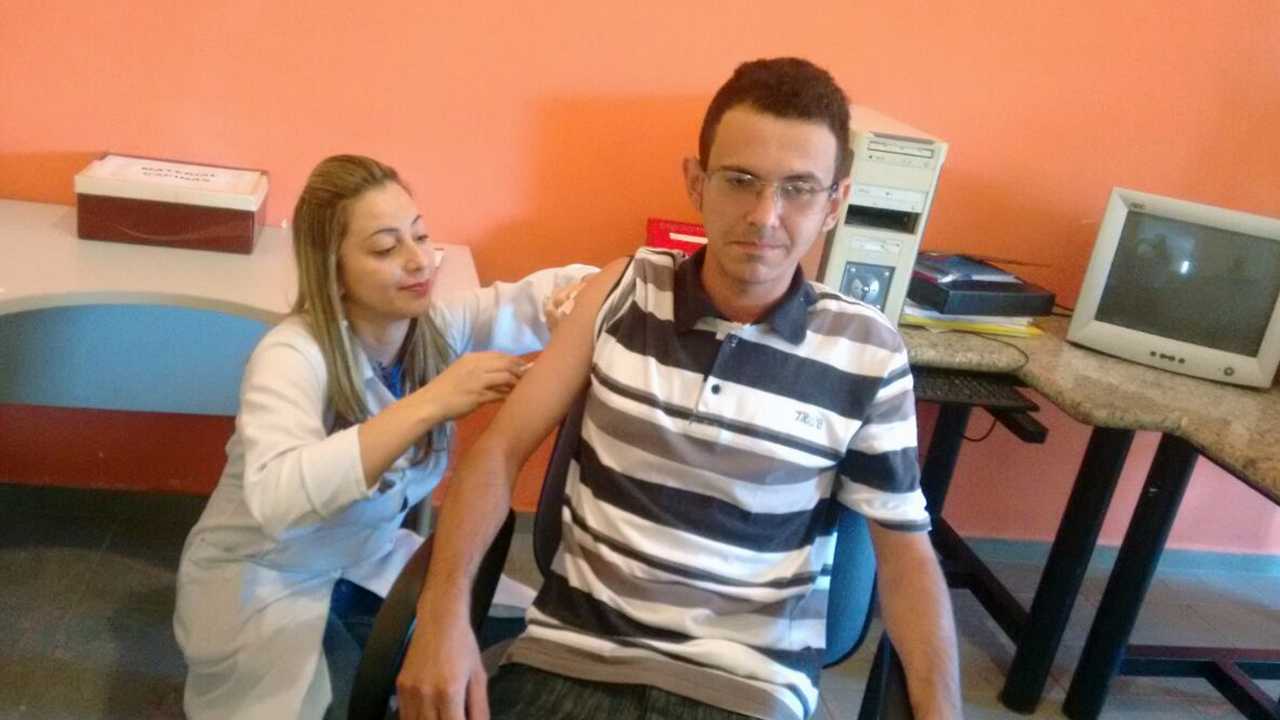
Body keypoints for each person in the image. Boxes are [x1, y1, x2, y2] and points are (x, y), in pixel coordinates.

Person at [399, 58, 964, 720]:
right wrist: (442, 616)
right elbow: (499, 451)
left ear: (834, 203)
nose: (766, 216)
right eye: (740, 180)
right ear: (696, 182)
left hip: (745, 694)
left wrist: (941, 708)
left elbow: (905, 556)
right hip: (570, 664)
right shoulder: (620, 292)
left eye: (799, 189)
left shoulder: (867, 350)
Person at [173, 154, 595, 720]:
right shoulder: (292, 355)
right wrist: (433, 401)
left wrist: (579, 293)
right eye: (385, 248)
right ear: (332, 268)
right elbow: (278, 497)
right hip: (266, 575)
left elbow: (524, 303)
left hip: (363, 559)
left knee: (524, 642)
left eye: (420, 235)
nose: (418, 260)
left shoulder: (432, 330)